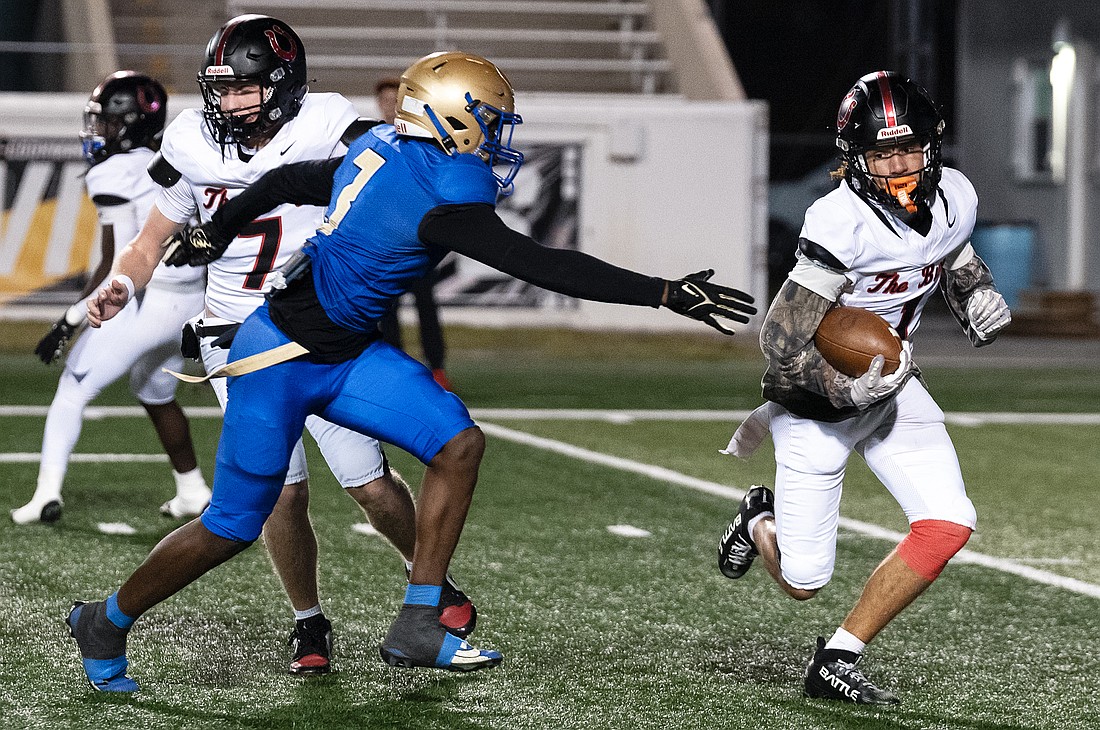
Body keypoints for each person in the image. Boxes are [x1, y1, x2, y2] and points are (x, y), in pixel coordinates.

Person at [68, 50, 756, 691]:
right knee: (231, 525)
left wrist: (221, 228)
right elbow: (540, 263)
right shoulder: (439, 189)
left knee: (459, 444)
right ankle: (105, 620)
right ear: (451, 117)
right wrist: (661, 292)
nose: (495, 134)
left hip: (343, 353)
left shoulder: (379, 145)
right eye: (488, 119)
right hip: (277, 359)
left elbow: (284, 180)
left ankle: (420, 620)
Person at [77, 15, 475, 681]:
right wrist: (121, 283)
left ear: (285, 85)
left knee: (372, 486)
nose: (229, 103)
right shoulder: (190, 140)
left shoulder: (327, 122)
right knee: (278, 498)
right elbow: (148, 242)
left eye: (244, 89)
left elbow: (386, 173)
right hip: (237, 339)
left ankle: (427, 583)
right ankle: (308, 619)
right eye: (221, 89)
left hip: (320, 333)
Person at [716, 71, 1012, 705]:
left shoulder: (955, 196)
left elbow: (952, 255)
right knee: (803, 582)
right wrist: (841, 388)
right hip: (816, 404)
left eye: (909, 149)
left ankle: (837, 658)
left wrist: (977, 296)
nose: (899, 166)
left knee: (949, 522)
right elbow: (780, 341)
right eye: (882, 154)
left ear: (933, 144)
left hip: (895, 388)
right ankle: (759, 519)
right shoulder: (840, 220)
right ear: (855, 157)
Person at [11, 71, 211, 525]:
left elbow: (117, 262)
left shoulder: (113, 172)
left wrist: (71, 318)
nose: (98, 130)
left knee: (72, 389)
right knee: (154, 390)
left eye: (107, 121)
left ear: (131, 122)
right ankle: (193, 490)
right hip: (192, 301)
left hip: (149, 299)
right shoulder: (174, 156)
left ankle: (45, 494)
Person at [373, 76, 453, 390]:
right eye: (386, 101)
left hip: (417, 241)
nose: (390, 106)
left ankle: (437, 368)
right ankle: (397, 370)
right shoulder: (372, 140)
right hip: (386, 244)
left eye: (395, 101)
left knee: (426, 307)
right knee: (387, 311)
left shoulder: (421, 141)